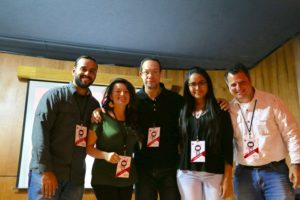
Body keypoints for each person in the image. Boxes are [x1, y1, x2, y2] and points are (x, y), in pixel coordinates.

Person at [28, 55, 100, 200]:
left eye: (92, 71)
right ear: (73, 71)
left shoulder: (94, 104)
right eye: (83, 69)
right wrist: (46, 171)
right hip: (48, 173)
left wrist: (99, 111)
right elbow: (39, 134)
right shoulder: (53, 96)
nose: (87, 73)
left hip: (75, 178)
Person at [224, 64, 300, 200]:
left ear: (250, 80)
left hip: (275, 171)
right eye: (233, 85)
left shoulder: (272, 101)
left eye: (242, 82)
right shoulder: (228, 110)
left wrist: (296, 163)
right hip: (244, 174)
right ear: (228, 86)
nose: (238, 88)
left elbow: (291, 133)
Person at [177, 67, 233, 200]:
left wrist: (228, 179)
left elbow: (227, 146)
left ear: (208, 84)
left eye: (202, 82)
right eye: (193, 84)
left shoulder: (220, 110)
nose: (198, 87)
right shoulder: (182, 110)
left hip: (214, 172)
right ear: (187, 87)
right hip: (187, 172)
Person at [134, 58, 183, 200]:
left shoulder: (176, 100)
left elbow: (198, 107)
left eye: (155, 72)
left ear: (161, 73)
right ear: (140, 74)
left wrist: (219, 101)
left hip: (170, 167)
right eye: (147, 72)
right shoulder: (133, 101)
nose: (151, 76)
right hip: (143, 168)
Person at [86, 78, 140, 200]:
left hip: (127, 177)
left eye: (126, 91)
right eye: (118, 91)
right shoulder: (100, 117)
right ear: (110, 95)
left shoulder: (133, 118)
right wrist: (105, 155)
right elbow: (88, 148)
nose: (123, 94)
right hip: (104, 178)